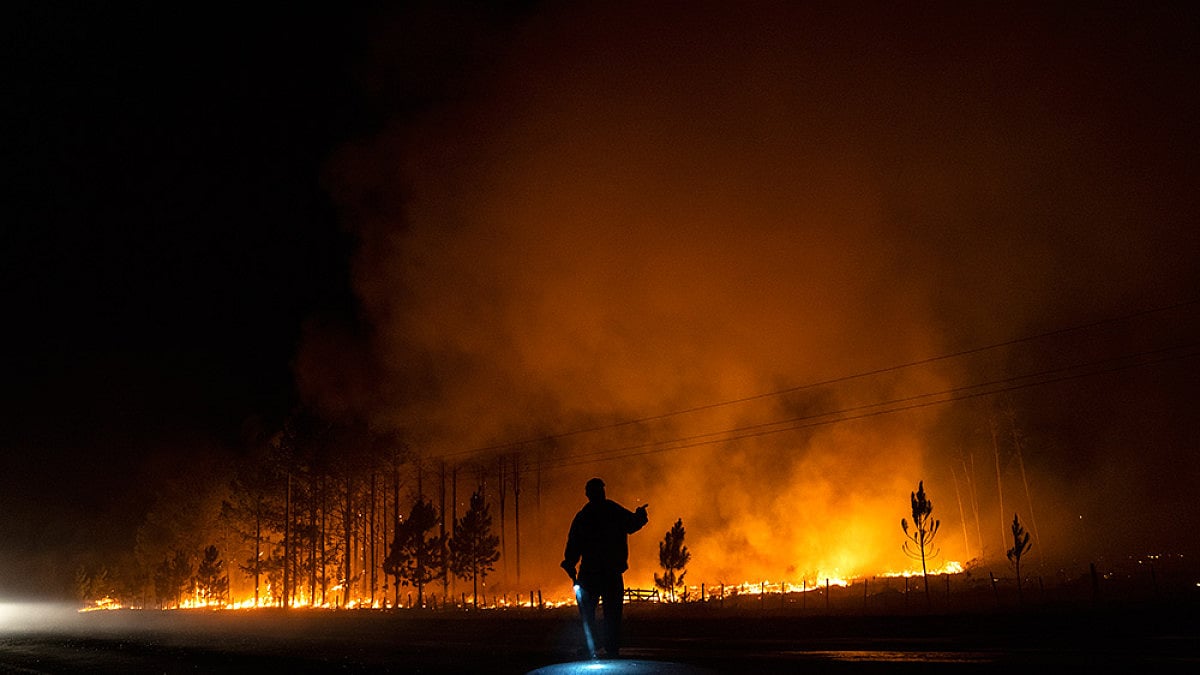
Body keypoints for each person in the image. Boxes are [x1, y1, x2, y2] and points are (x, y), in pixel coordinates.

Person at [560, 477, 648, 658]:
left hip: (591, 573)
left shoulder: (584, 516)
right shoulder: (612, 510)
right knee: (612, 613)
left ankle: (593, 644)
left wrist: (569, 562)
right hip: (610, 572)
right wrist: (640, 516)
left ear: (588, 494)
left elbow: (574, 543)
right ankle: (611, 647)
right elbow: (632, 524)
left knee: (588, 612)